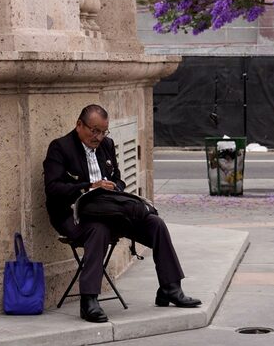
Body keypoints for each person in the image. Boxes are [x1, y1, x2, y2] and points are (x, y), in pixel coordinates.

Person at [43, 104, 201, 323]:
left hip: (110, 210)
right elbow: (53, 188)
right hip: (73, 215)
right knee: (98, 230)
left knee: (156, 224)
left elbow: (118, 179)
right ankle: (89, 300)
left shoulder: (107, 145)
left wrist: (114, 186)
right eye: (94, 131)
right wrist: (90, 186)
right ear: (79, 125)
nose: (99, 137)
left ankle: (170, 288)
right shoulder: (61, 147)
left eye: (103, 132)